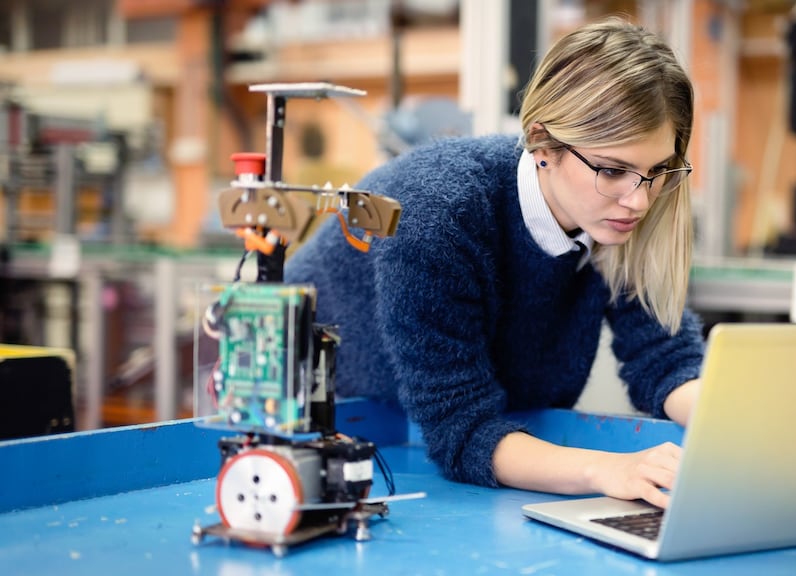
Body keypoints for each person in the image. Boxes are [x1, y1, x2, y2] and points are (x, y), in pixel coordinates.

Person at [285, 17, 704, 508]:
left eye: (657, 172)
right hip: (302, 420)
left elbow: (665, 362)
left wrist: (744, 429)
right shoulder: (437, 212)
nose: (639, 199)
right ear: (543, 142)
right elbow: (463, 432)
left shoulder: (615, 214)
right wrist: (612, 469)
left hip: (432, 440)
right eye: (614, 171)